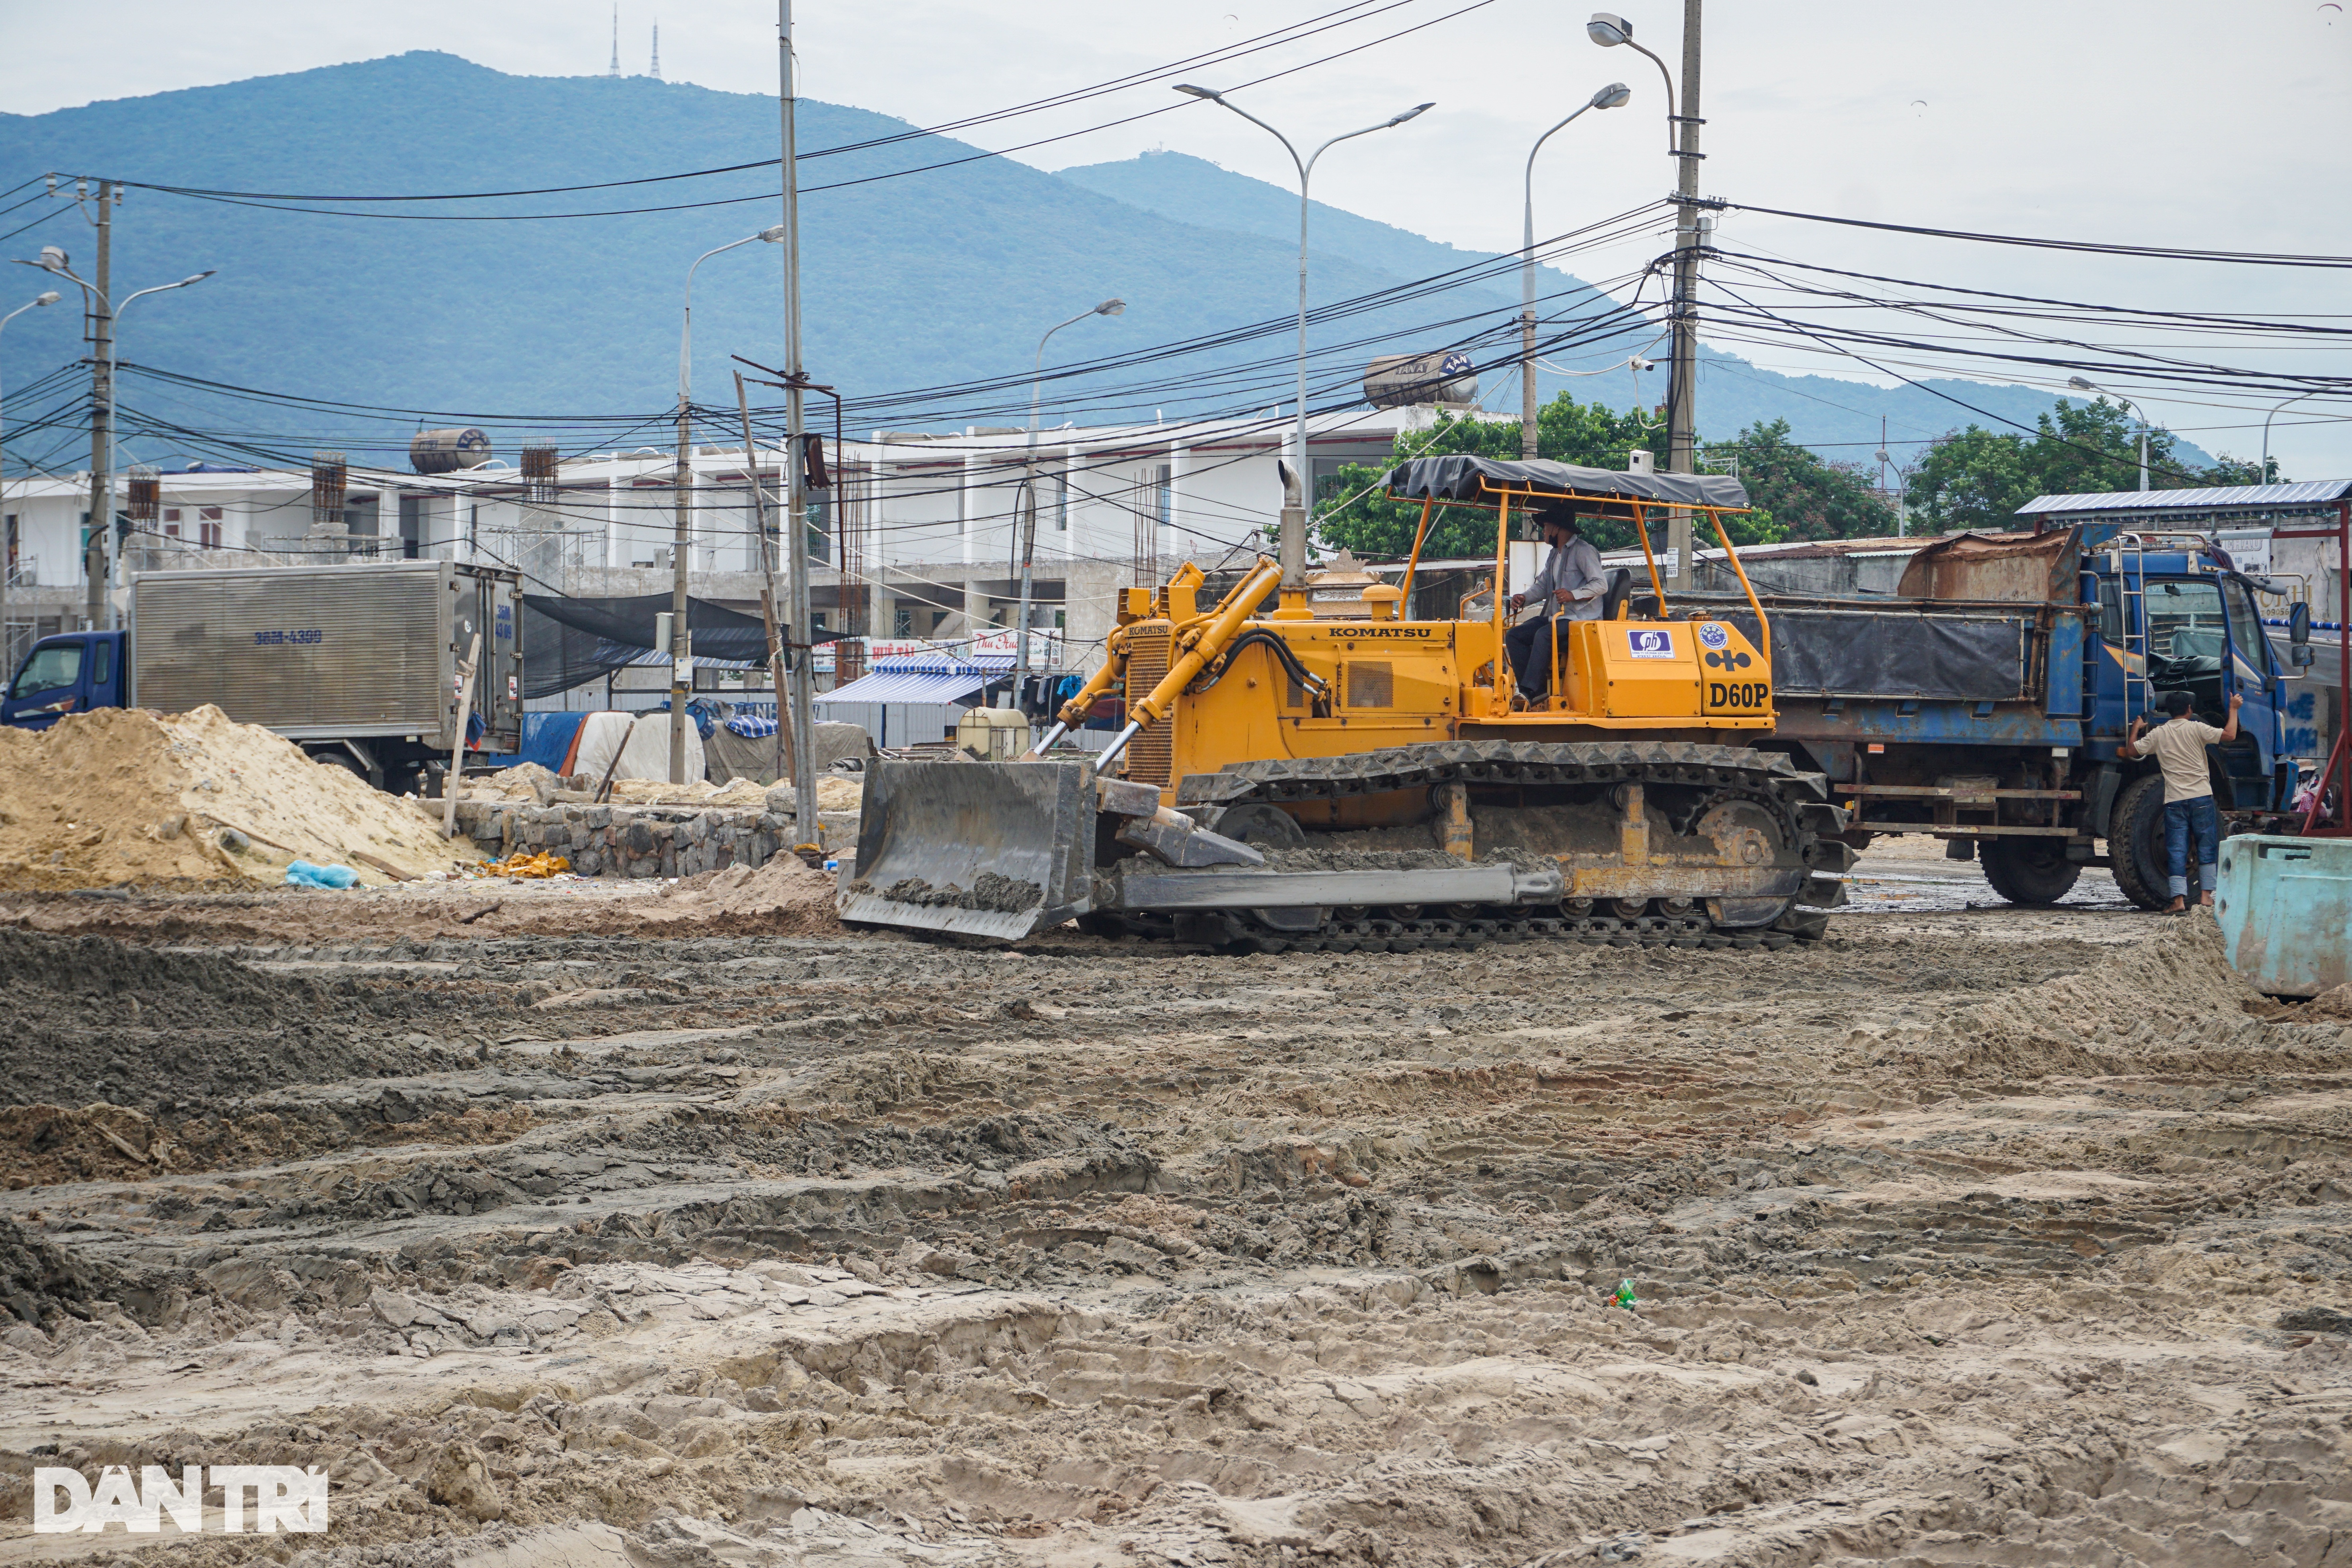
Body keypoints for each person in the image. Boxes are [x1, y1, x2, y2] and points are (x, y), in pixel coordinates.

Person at [2121, 688, 2241, 914]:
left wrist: (2136, 729)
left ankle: (2178, 901)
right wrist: (2233, 709)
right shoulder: (2197, 728)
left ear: (2168, 711)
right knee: (2206, 845)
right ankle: (2206, 897)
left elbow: (2131, 751)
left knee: (2176, 849)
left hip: (2175, 800)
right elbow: (2230, 735)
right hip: (2201, 798)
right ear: (2189, 709)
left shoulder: (2159, 734)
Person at [1503, 508, 1607, 701]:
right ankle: (1537, 690)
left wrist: (1573, 595)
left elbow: (1601, 585)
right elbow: (1543, 586)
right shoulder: (1554, 555)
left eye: (1546, 527)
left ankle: (1530, 691)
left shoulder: (1584, 551)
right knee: (1515, 635)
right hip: (1557, 618)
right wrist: (1524, 598)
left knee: (1543, 634)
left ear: (1557, 528)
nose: (1543, 531)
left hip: (1581, 620)